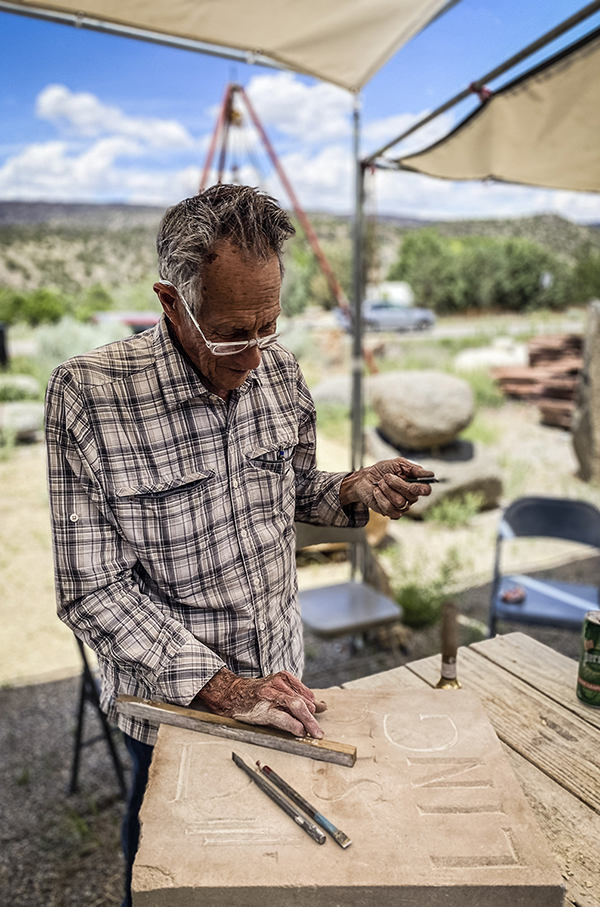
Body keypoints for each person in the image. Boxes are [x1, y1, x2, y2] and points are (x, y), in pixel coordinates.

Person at [45, 185, 432, 905]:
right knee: (176, 876)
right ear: (171, 302)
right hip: (179, 708)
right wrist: (223, 688)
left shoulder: (278, 372)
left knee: (281, 866)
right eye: (230, 334)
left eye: (269, 328)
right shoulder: (89, 396)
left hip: (284, 684)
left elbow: (293, 490)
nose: (253, 357)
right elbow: (90, 588)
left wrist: (353, 488)